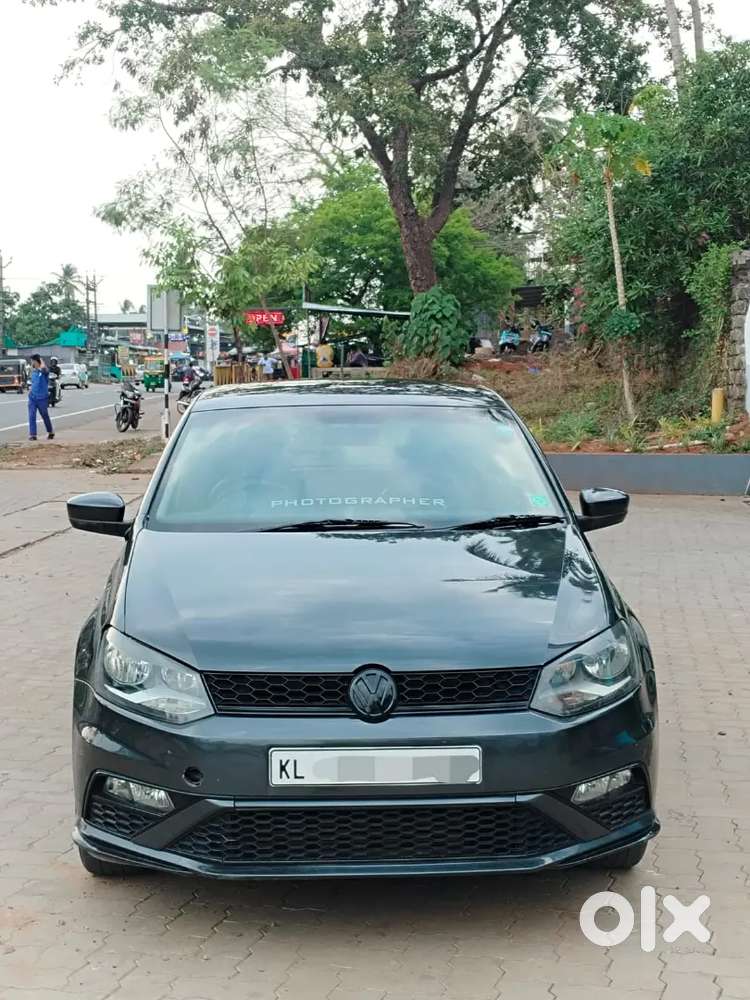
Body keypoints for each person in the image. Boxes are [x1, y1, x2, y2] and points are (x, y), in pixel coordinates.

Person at [28, 354, 55, 441]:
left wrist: (41, 360)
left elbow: (44, 369)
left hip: (42, 398)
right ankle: (33, 435)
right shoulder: (33, 372)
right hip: (32, 397)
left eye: (32, 361)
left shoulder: (44, 371)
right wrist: (30, 390)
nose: (31, 362)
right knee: (31, 415)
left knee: (44, 415)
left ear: (36, 361)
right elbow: (33, 382)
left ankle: (50, 431)